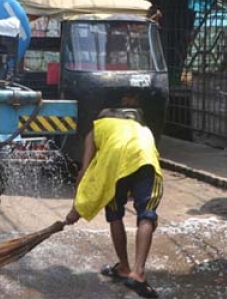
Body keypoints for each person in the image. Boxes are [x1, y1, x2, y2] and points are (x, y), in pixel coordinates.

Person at [65, 108, 163, 299]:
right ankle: (138, 272)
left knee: (115, 213)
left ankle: (125, 267)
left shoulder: (97, 128)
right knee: (147, 213)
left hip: (115, 161)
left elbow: (84, 172)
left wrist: (75, 209)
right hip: (145, 158)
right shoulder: (140, 127)